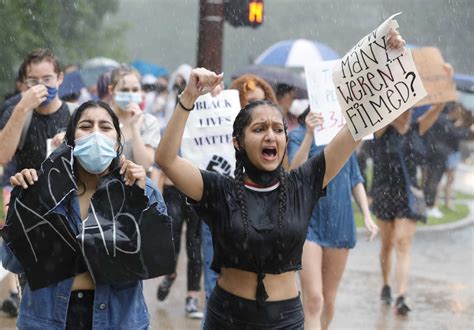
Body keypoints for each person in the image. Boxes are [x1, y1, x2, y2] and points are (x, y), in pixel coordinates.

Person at [156, 29, 404, 328]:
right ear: (237, 142)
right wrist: (188, 97)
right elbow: (166, 160)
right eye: (259, 129)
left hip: (285, 319)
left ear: (286, 139)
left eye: (277, 129)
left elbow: (357, 124)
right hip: (227, 317)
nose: (270, 135)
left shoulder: (303, 183)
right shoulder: (218, 188)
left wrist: (383, 60)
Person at [2, 100, 168, 329]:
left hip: (117, 321)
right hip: (47, 321)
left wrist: (139, 202)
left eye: (105, 127)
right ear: (71, 139)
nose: (96, 135)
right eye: (86, 126)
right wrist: (25, 204)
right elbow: (12, 262)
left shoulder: (141, 189)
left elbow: (155, 259)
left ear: (118, 140)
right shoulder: (41, 188)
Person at [288, 106, 378, 329]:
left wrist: (367, 215)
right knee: (314, 299)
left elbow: (355, 179)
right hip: (308, 223)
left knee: (328, 301)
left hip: (339, 222)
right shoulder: (298, 135)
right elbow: (293, 172)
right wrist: (309, 135)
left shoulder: (342, 137)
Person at [199, 74, 278, 301]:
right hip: (221, 211)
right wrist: (211, 102)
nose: (258, 109)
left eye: (263, 103)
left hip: (263, 213)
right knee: (216, 286)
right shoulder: (222, 129)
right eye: (251, 102)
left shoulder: (274, 138)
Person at [371, 102, 446, 316]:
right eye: (405, 108)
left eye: (411, 109)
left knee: (402, 243)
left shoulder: (417, 128)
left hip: (409, 194)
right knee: (387, 244)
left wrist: (442, 85)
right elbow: (378, 125)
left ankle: (401, 294)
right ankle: (386, 284)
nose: (408, 112)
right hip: (385, 191)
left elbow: (438, 106)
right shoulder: (383, 129)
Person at [108, 65, 161, 170]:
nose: (130, 94)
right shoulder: (102, 119)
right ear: (111, 90)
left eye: (135, 90)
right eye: (124, 90)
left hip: (137, 184)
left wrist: (134, 127)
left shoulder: (148, 121)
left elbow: (144, 165)